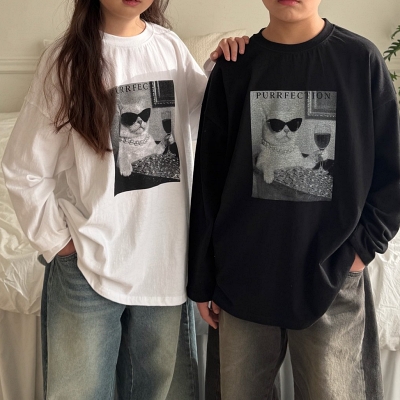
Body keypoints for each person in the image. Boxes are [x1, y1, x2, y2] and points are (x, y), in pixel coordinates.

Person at [1, 0, 246, 399]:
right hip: (86, 267)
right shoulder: (65, 60)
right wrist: (60, 244)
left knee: (157, 391)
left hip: (163, 266)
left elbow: (208, 111)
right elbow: (23, 168)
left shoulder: (168, 47)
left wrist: (224, 62)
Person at [187, 0, 400, 399]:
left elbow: (393, 172)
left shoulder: (361, 60)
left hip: (332, 277)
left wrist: (361, 249)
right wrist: (201, 278)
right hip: (242, 278)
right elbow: (208, 181)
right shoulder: (233, 67)